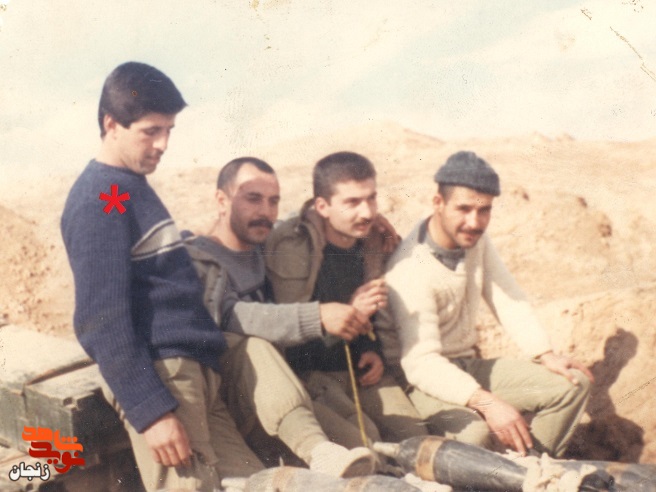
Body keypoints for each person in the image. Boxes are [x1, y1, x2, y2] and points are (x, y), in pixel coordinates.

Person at [60, 62, 265, 491]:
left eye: (169, 130)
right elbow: (100, 319)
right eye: (151, 131)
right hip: (164, 378)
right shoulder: (102, 198)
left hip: (192, 373)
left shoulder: (127, 188)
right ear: (111, 124)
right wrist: (150, 411)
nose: (163, 144)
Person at [384, 150, 594, 458]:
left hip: (465, 364)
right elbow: (421, 364)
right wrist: (487, 403)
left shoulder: (472, 239)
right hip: (419, 380)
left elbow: (507, 297)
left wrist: (545, 354)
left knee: (572, 385)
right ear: (438, 203)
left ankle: (532, 468)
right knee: (474, 437)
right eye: (464, 209)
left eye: (484, 210)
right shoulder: (410, 269)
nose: (474, 222)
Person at [183, 156, 376, 474]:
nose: (266, 212)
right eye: (253, 199)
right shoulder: (195, 259)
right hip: (227, 403)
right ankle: (317, 450)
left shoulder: (264, 247)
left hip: (279, 400)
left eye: (273, 201)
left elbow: (308, 223)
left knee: (363, 449)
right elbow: (234, 315)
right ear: (221, 200)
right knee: (251, 343)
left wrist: (373, 223)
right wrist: (317, 317)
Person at [264, 151, 428, 444]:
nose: (367, 213)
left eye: (371, 199)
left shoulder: (369, 243)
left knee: (414, 437)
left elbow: (374, 321)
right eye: (352, 202)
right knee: (366, 442)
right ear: (323, 207)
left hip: (359, 372)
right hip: (312, 375)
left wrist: (371, 350)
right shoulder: (296, 249)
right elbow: (289, 343)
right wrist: (351, 314)